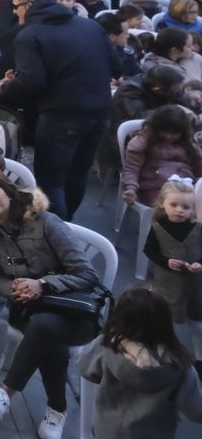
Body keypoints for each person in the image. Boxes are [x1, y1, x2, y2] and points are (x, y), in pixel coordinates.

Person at [0, 171, 102, 438]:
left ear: (8, 191)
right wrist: (15, 288)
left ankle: (6, 392)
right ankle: (57, 410)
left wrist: (42, 285)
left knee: (45, 327)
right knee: (46, 331)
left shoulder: (46, 221)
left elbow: (87, 274)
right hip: (30, 310)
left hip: (75, 312)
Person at [0, 0, 119, 218]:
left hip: (61, 116)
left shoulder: (29, 34)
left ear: (29, 5)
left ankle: (57, 235)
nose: (14, 11)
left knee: (51, 181)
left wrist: (5, 89)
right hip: (99, 114)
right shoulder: (90, 26)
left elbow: (32, 81)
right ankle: (68, 226)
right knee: (77, 174)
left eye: (16, 6)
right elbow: (116, 66)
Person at [77, 285, 202, 438]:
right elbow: (197, 411)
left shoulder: (107, 344)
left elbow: (85, 368)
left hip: (106, 431)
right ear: (165, 323)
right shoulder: (180, 366)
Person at [143, 177, 202, 326]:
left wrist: (199, 264)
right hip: (166, 280)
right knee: (164, 314)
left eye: (186, 207)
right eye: (174, 205)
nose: (179, 210)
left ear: (192, 209)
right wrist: (166, 261)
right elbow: (149, 250)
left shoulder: (197, 228)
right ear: (163, 204)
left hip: (195, 281)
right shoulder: (158, 227)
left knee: (194, 312)